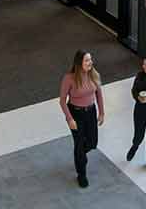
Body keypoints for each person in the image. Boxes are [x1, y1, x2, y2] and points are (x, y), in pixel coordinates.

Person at [60, 50, 105, 189]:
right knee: (79, 144)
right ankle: (81, 174)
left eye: (90, 59)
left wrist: (101, 112)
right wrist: (70, 119)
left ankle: (79, 155)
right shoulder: (69, 78)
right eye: (86, 60)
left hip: (91, 112)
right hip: (76, 113)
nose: (90, 62)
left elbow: (99, 94)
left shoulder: (94, 75)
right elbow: (62, 101)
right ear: (79, 63)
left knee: (92, 142)